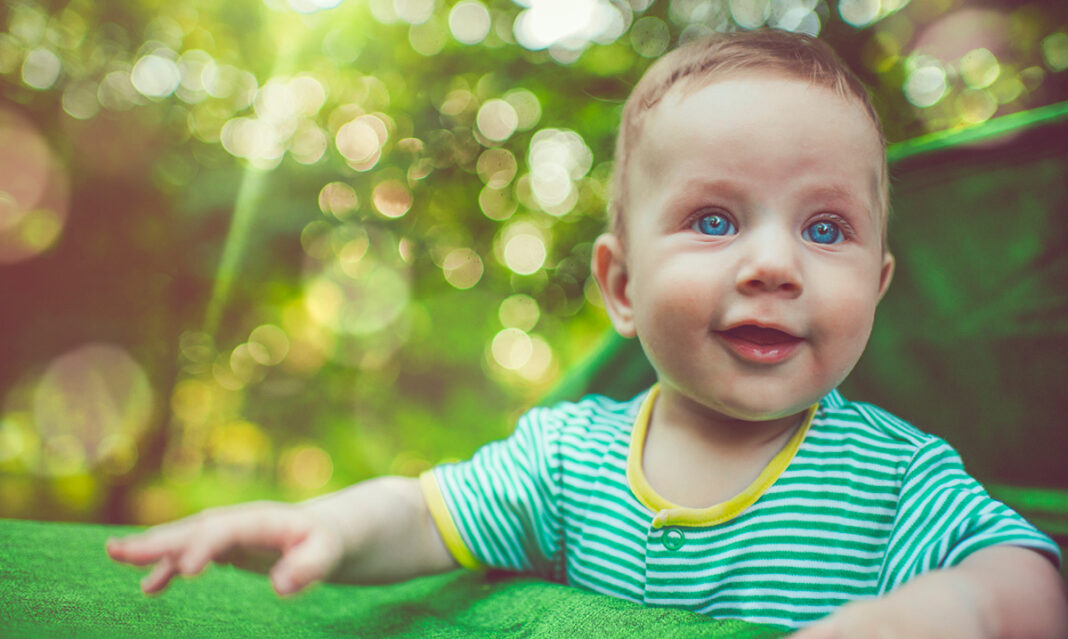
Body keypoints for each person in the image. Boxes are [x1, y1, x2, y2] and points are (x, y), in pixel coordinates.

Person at [107, 29, 1068, 636]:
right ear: (619, 283)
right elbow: (424, 515)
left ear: (880, 285)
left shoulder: (895, 478)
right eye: (717, 219)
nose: (776, 264)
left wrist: (948, 611)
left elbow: (1028, 577)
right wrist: (323, 524)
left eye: (826, 230)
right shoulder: (568, 458)